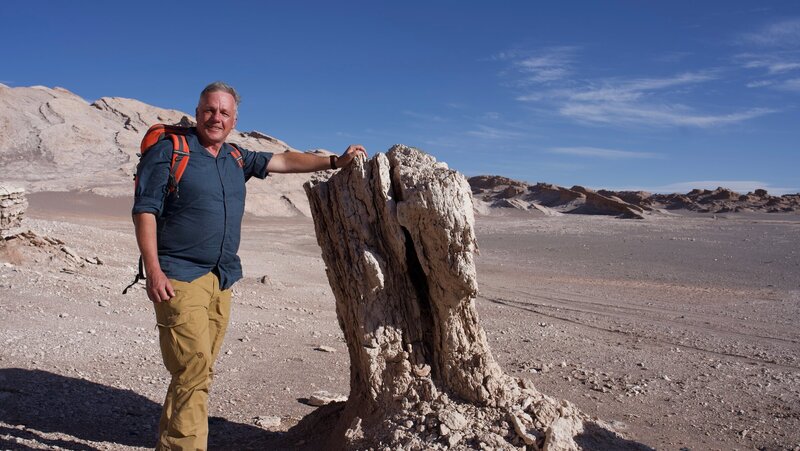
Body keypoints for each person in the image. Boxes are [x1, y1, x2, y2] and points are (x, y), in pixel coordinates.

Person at [132, 81, 366, 450]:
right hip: (179, 276)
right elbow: (145, 210)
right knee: (191, 368)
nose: (216, 118)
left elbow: (285, 160)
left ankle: (172, 440)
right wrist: (154, 270)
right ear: (197, 113)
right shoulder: (170, 152)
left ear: (234, 120)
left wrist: (335, 161)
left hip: (221, 277)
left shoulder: (235, 157)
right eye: (210, 110)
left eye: (224, 113)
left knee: (198, 370)